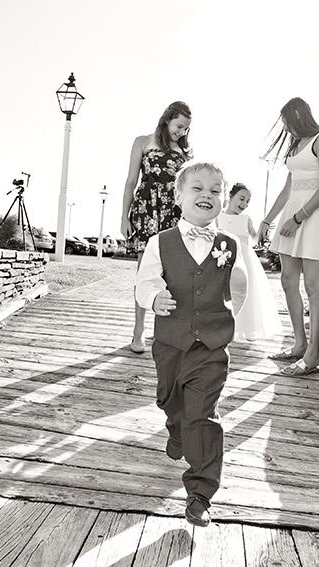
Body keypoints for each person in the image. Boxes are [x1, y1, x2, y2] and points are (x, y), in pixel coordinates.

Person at [135, 161, 247, 528]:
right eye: (197, 188)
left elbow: (240, 288)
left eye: (215, 191)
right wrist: (155, 299)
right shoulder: (160, 242)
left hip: (212, 346)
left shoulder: (230, 245)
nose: (207, 195)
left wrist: (235, 315)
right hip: (170, 342)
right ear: (178, 195)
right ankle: (174, 425)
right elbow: (145, 283)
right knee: (171, 398)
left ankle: (200, 493)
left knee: (203, 414)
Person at [258, 97, 319, 376]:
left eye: (287, 123)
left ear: (297, 116)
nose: (286, 130)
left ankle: (313, 355)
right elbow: (286, 190)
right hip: (291, 214)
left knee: (313, 287)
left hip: (313, 217)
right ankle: (298, 344)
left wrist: (297, 219)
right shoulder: (295, 145)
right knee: (287, 280)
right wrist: (267, 221)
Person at [121, 101, 193, 354]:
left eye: (186, 129)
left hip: (174, 216)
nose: (182, 132)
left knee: (171, 276)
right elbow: (131, 181)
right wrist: (124, 217)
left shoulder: (186, 152)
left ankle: (161, 332)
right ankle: (138, 332)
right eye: (179, 126)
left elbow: (188, 190)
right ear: (167, 120)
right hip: (145, 212)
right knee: (144, 275)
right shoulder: (142, 142)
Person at [217, 183, 283, 341]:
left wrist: (262, 230)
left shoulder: (246, 219)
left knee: (247, 294)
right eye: (241, 199)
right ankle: (222, 328)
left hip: (245, 259)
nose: (244, 204)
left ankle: (247, 330)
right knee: (223, 292)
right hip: (223, 259)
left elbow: (254, 239)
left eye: (248, 201)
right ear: (230, 197)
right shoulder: (218, 217)